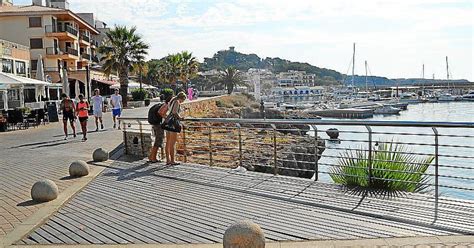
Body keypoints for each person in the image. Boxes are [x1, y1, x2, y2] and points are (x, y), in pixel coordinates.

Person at [148, 94, 173, 163]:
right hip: (158, 125)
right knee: (158, 141)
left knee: (157, 140)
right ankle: (153, 158)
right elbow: (160, 112)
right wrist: (167, 118)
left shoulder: (162, 104)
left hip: (155, 123)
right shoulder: (166, 105)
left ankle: (151, 156)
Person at [164, 91, 186, 165]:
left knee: (167, 142)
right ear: (182, 98)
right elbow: (174, 112)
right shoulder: (177, 102)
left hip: (168, 122)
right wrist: (180, 118)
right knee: (172, 143)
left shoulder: (172, 101)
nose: (182, 102)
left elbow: (170, 111)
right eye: (183, 100)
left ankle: (168, 160)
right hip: (173, 123)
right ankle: (172, 160)